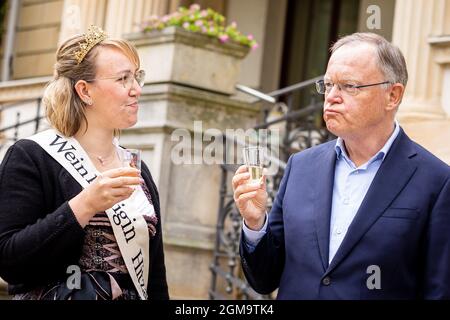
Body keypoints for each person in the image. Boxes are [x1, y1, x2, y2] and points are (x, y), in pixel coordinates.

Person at [233, 32, 450, 299]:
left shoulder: (438, 182)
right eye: (328, 85)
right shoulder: (300, 166)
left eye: (349, 86)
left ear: (392, 95)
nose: (332, 97)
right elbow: (265, 279)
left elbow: (439, 290)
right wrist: (255, 225)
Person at [0, 26, 169, 300]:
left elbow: (155, 278)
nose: (136, 89)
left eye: (137, 77)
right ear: (84, 91)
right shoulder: (32, 156)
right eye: (123, 79)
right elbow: (9, 260)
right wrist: (85, 204)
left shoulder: (137, 168)